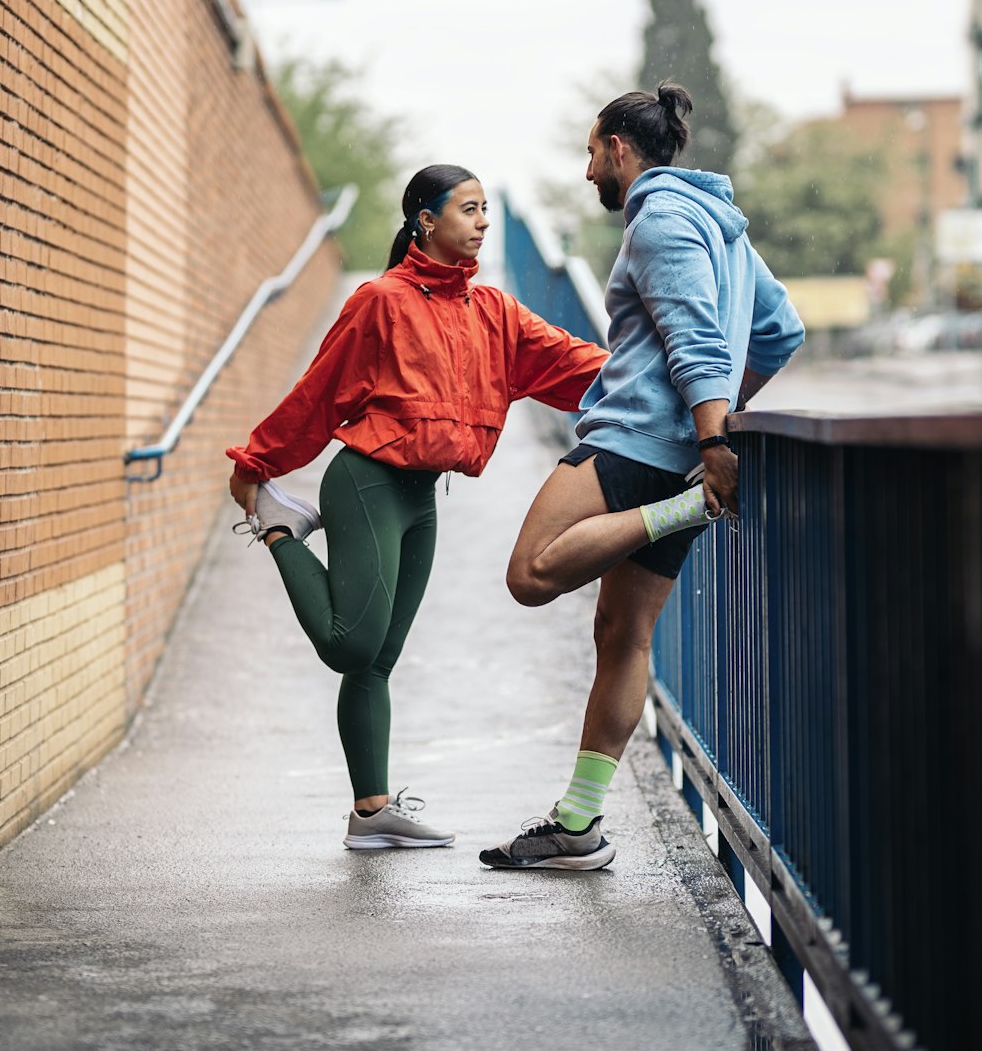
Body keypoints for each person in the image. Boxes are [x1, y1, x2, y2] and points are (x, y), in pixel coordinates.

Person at [227, 164, 608, 851]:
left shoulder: (492, 311)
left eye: (488, 208)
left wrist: (666, 381)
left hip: (421, 499)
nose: (485, 221)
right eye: (469, 208)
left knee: (379, 662)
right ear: (426, 220)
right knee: (351, 644)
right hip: (366, 483)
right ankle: (281, 528)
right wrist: (257, 464)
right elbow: (320, 389)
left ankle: (371, 814)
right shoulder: (381, 300)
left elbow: (572, 362)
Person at [482, 83, 804, 870]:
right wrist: (715, 422)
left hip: (633, 445)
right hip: (682, 451)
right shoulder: (728, 230)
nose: (588, 168)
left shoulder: (657, 216)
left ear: (621, 150)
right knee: (622, 637)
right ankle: (579, 824)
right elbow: (779, 331)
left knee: (529, 573)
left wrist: (711, 438)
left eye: (592, 153)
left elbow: (693, 329)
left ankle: (679, 510)